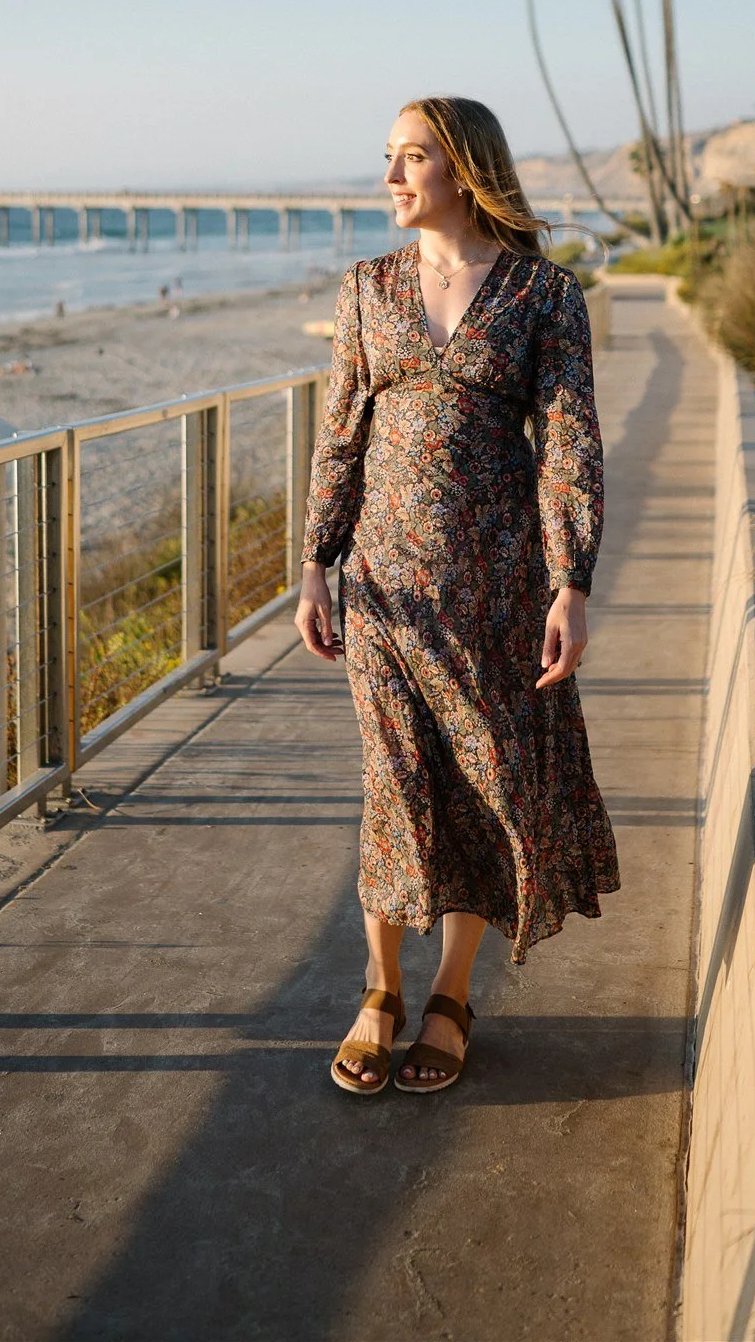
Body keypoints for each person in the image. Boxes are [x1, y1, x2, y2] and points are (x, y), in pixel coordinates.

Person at [295, 96, 619, 1096]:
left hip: (497, 586)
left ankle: (452, 992)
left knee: (481, 782)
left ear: (465, 168)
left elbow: (569, 441)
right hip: (384, 593)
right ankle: (379, 990)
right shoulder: (367, 288)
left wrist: (571, 580)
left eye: (412, 157)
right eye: (388, 157)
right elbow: (340, 432)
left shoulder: (540, 294)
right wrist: (316, 559)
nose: (392, 177)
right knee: (393, 781)